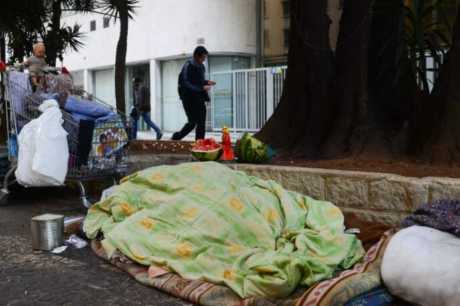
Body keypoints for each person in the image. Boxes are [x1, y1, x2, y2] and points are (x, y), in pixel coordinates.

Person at [172, 46, 216, 141]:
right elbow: (186, 83)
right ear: (196, 56)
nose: (204, 60)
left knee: (201, 123)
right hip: (188, 99)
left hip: (199, 98)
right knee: (192, 122)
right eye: (203, 57)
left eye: (205, 58)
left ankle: (200, 144)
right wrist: (202, 88)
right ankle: (176, 138)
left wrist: (206, 82)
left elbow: (198, 81)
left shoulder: (201, 66)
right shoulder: (188, 66)